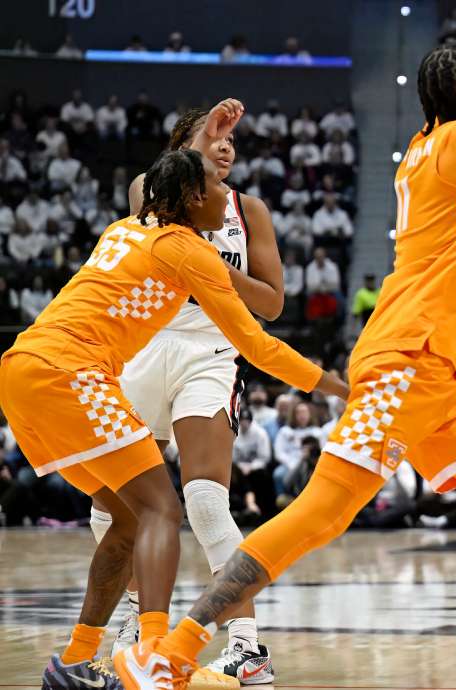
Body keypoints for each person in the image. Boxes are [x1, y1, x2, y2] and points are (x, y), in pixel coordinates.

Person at [116, 4, 456, 690]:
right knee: (318, 515)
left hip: (437, 377)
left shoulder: (431, 140)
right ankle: (169, 653)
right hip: (406, 361)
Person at [0, 150, 346, 690]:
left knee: (125, 519)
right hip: (72, 372)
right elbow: (259, 346)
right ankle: (151, 654)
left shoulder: (123, 229)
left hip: (22, 370)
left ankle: (76, 661)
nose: (223, 201)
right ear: (189, 196)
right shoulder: (189, 250)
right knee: (162, 508)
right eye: (212, 188)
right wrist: (338, 386)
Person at [84, 100, 288, 678]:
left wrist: (210, 269)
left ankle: (247, 646)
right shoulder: (150, 190)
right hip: (144, 347)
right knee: (112, 502)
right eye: (215, 137)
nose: (227, 145)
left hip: (212, 353)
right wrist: (201, 139)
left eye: (233, 141)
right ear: (185, 144)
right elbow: (159, 184)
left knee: (204, 500)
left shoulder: (250, 211)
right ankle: (133, 616)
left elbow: (272, 304)